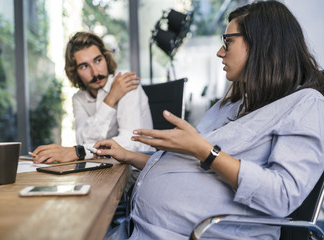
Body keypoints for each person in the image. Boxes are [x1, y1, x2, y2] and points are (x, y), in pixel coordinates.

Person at [94, 1, 324, 239]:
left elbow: (283, 196)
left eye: (228, 42)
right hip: (140, 228)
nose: (220, 52)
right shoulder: (234, 102)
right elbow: (190, 165)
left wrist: (204, 150)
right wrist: (128, 155)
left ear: (261, 43)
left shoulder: (306, 104)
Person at [32, 32, 153, 163]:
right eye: (84, 66)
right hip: (104, 167)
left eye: (98, 60)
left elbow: (132, 141)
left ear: (106, 58)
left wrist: (81, 152)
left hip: (138, 171)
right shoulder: (79, 98)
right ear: (75, 72)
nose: (95, 73)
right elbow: (83, 141)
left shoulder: (124, 80)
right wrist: (110, 99)